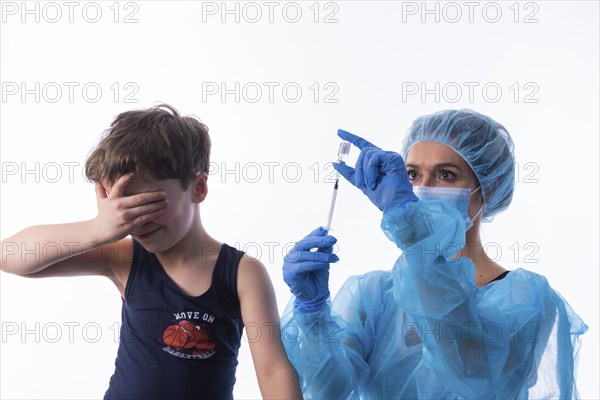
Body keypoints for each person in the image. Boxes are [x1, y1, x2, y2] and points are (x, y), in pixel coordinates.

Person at [0, 104, 302, 400]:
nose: (136, 221)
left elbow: (273, 370)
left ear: (198, 188)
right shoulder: (125, 258)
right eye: (123, 210)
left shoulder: (242, 273)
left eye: (145, 205)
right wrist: (96, 229)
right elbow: (9, 256)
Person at [281, 109, 587, 399]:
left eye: (447, 175)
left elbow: (475, 371)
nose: (422, 189)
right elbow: (328, 391)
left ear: (489, 188)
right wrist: (313, 312)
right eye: (412, 175)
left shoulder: (526, 296)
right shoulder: (374, 296)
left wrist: (414, 234)